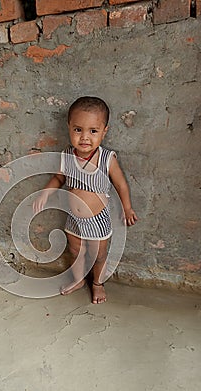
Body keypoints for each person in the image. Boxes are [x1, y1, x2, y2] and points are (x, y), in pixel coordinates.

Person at [33, 96, 138, 304]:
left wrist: (127, 208)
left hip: (97, 219)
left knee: (98, 255)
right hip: (74, 219)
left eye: (93, 131)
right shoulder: (67, 156)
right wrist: (45, 192)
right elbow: (59, 178)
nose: (84, 137)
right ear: (69, 127)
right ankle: (79, 279)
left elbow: (121, 185)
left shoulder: (107, 159)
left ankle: (97, 284)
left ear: (104, 131)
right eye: (78, 129)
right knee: (75, 251)